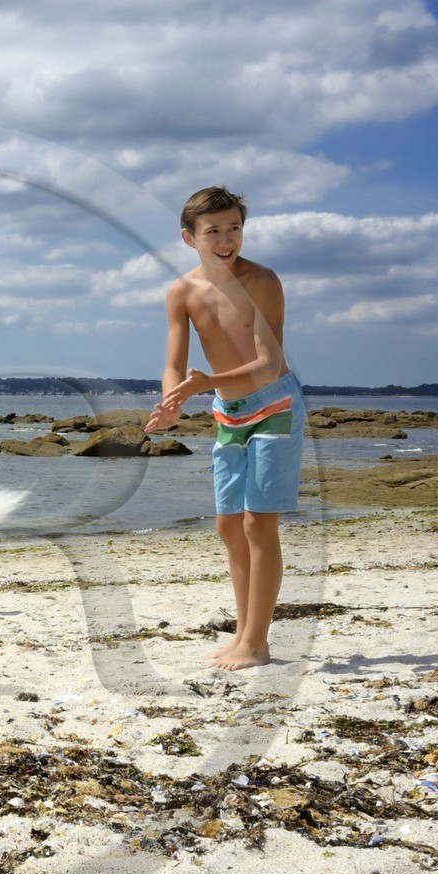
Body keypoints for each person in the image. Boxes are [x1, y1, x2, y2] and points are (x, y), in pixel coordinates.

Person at [146, 185, 305, 671]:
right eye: (212, 230)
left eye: (233, 227)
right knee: (228, 525)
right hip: (227, 411)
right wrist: (172, 401)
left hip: (274, 402)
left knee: (260, 522)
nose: (225, 238)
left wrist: (205, 383)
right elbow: (174, 364)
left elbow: (267, 363)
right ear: (188, 237)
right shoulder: (182, 292)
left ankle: (257, 642)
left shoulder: (262, 280)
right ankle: (242, 635)